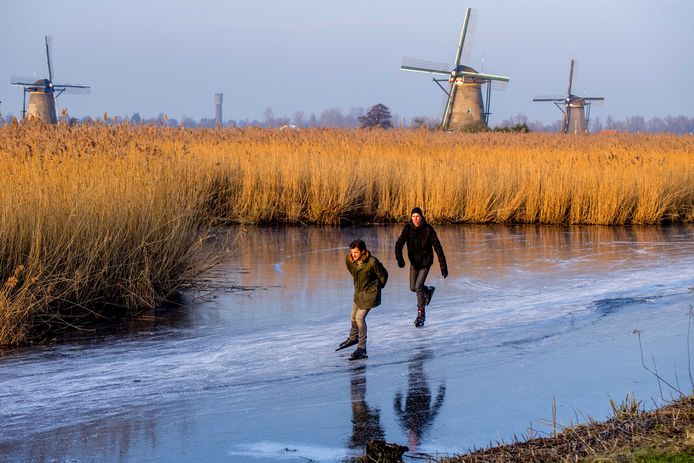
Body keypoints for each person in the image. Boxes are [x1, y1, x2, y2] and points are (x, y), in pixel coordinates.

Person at [395, 207, 448, 327]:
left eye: (418, 216)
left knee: (418, 286)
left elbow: (438, 248)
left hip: (425, 263)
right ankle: (428, 290)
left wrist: (443, 266)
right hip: (414, 263)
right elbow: (399, 244)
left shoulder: (428, 230)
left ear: (422, 217)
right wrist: (400, 259)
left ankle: (421, 315)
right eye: (413, 216)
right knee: (412, 288)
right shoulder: (408, 229)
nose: (415, 219)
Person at [337, 239, 388, 360]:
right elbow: (354, 273)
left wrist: (375, 288)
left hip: (370, 294)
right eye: (352, 252)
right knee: (353, 316)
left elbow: (383, 276)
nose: (353, 254)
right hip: (358, 292)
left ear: (363, 251)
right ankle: (353, 338)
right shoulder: (349, 260)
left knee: (360, 318)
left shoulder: (372, 262)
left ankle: (362, 347)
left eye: (356, 252)